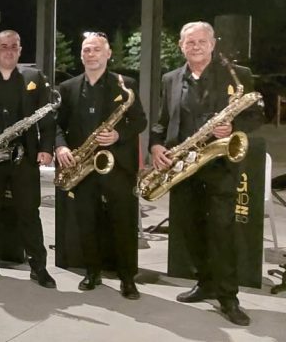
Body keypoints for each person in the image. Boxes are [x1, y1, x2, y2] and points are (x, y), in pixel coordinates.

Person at [150, 21, 263, 326]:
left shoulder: (238, 75)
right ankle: (205, 282)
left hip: (220, 166)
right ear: (181, 46)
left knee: (222, 234)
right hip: (183, 167)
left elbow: (256, 115)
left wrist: (234, 127)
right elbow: (162, 120)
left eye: (202, 41)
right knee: (191, 230)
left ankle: (228, 297)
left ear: (213, 44)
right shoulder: (171, 79)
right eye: (190, 42)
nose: (196, 46)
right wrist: (156, 145)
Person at [55, 32, 145, 299]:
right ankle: (92, 272)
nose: (91, 54)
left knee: (123, 223)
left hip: (116, 166)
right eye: (86, 50)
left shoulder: (125, 85)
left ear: (108, 54)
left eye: (96, 49)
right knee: (87, 222)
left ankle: (127, 278)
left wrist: (118, 134)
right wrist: (61, 147)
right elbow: (57, 124)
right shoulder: (68, 87)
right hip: (82, 166)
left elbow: (140, 121)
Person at [0, 29, 56, 288]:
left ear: (20, 50)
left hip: (24, 157)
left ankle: (38, 267)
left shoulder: (34, 77)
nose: (8, 51)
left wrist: (46, 147)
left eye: (14, 46)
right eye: (3, 46)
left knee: (29, 212)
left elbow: (47, 117)